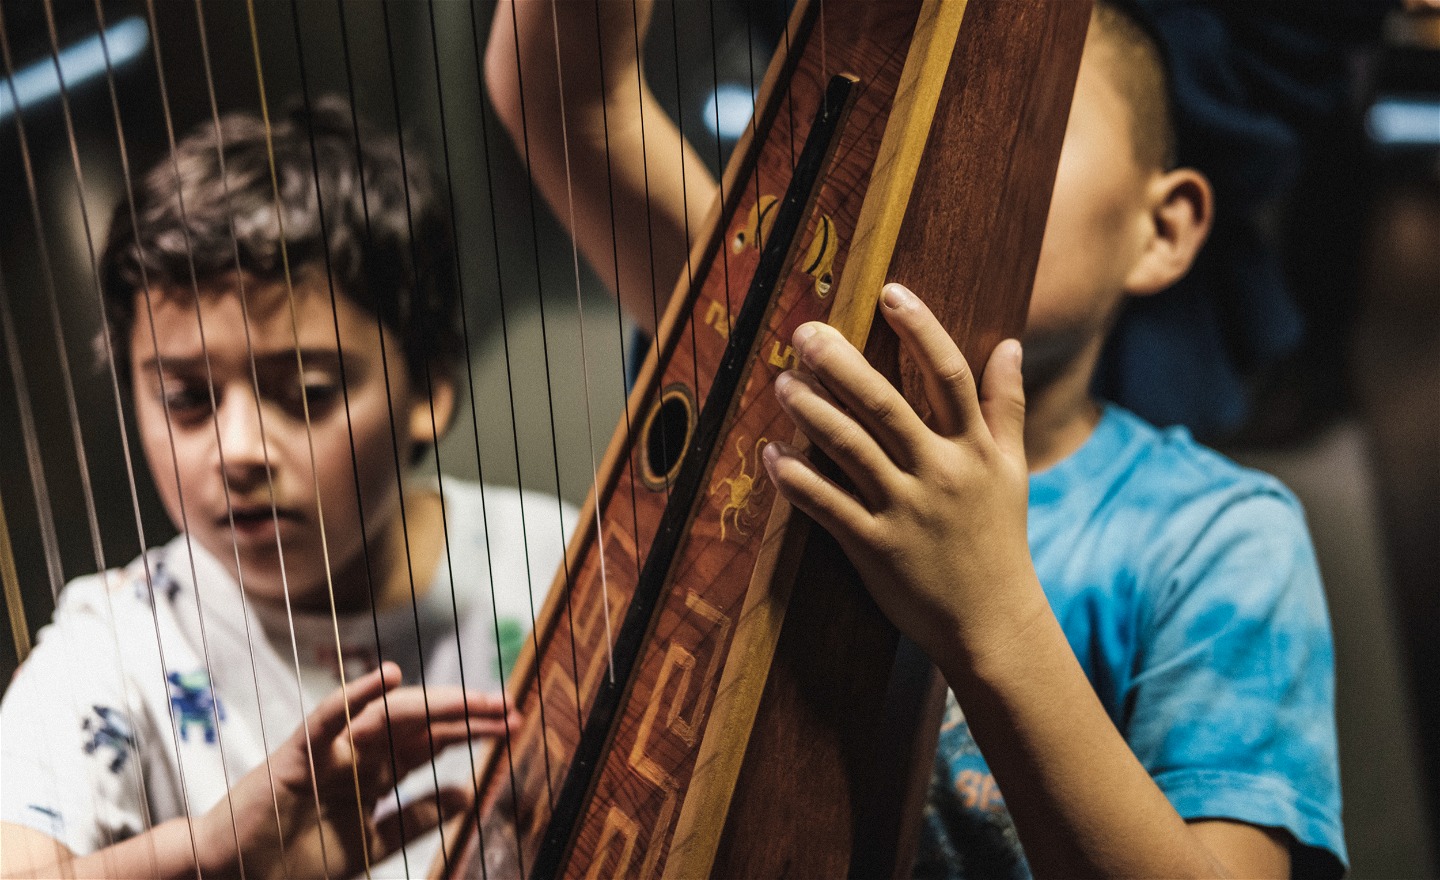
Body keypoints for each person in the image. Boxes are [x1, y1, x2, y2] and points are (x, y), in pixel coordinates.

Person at [486, 0, 1344, 877]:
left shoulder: (1215, 535)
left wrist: (988, 612)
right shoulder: (791, 368)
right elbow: (563, 93)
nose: (947, 160)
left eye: (1023, 124)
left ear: (1162, 229)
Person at [0, 98, 571, 878]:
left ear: (430, 385)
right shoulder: (109, 649)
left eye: (304, 391)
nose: (237, 452)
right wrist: (211, 860)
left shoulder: (569, 561)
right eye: (185, 400)